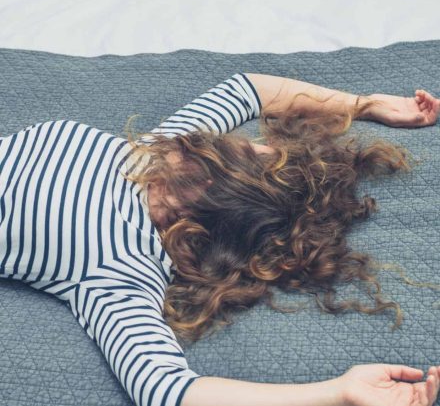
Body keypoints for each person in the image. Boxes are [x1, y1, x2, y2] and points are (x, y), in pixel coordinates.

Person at [0, 72, 439, 406]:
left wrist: (338, 392)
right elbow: (246, 89)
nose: (230, 142)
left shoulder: (123, 265)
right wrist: (368, 104)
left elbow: (166, 390)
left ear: (216, 198)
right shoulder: (159, 150)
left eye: (239, 154)